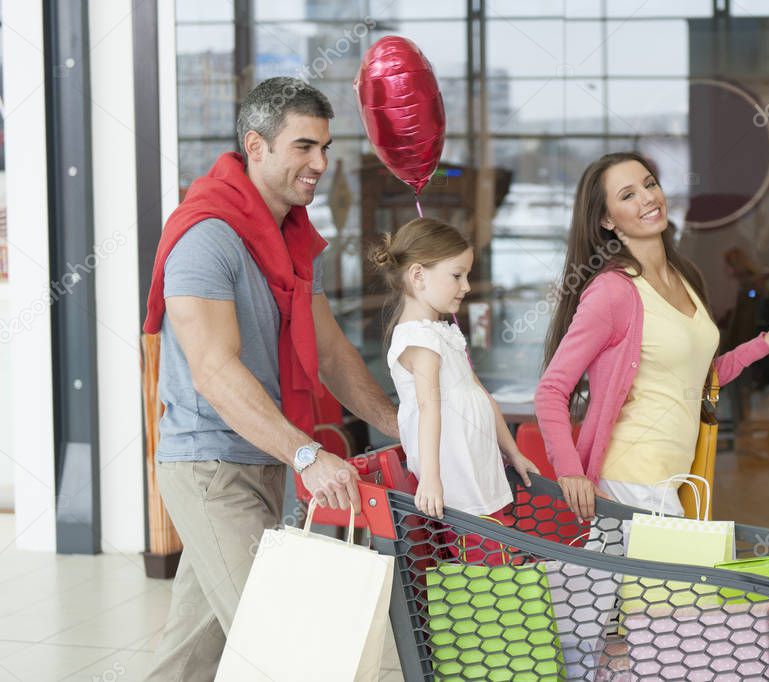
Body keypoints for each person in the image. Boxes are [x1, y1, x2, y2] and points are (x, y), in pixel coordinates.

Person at [142, 77, 400, 681]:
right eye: (304, 147)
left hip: (262, 459)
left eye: (326, 148)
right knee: (280, 647)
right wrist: (308, 453)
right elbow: (213, 370)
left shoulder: (289, 241)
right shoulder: (205, 237)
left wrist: (397, 424)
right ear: (255, 146)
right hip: (211, 469)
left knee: (190, 657)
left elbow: (332, 355)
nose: (321, 164)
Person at [535, 152, 769, 522]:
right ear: (606, 219)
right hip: (633, 478)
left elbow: (696, 377)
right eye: (628, 195)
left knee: (620, 582)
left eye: (650, 184)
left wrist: (763, 345)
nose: (648, 197)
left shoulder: (686, 277)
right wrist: (571, 473)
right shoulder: (613, 292)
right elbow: (552, 389)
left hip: (671, 477)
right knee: (678, 580)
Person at [369, 218, 539, 561]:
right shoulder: (418, 339)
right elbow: (429, 409)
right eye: (457, 275)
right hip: (457, 483)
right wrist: (431, 479)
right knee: (485, 568)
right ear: (418, 276)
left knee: (497, 564)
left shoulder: (440, 332)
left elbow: (481, 396)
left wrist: (513, 451)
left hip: (479, 472)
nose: (466, 286)